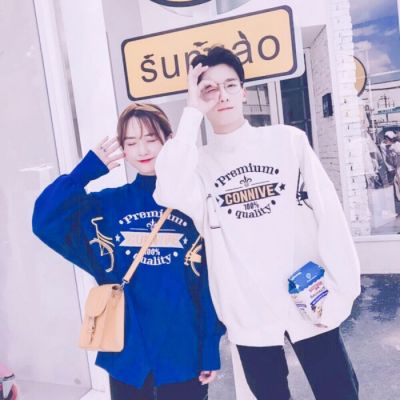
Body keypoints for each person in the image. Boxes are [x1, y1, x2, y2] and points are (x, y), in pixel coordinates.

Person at [153, 46, 361, 400]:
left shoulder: (287, 141)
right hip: (249, 312)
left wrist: (342, 289)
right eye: (209, 89)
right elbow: (168, 189)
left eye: (230, 85)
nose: (222, 95)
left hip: (310, 298)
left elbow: (329, 215)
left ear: (244, 92)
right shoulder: (198, 164)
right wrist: (191, 113)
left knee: (339, 392)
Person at [32, 103, 225, 400]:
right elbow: (45, 220)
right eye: (131, 142)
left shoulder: (191, 203)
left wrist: (210, 347)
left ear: (169, 140)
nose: (142, 150)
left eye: (150, 138)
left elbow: (208, 284)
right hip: (129, 359)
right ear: (122, 149)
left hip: (184, 355)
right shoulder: (107, 206)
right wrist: (84, 173)